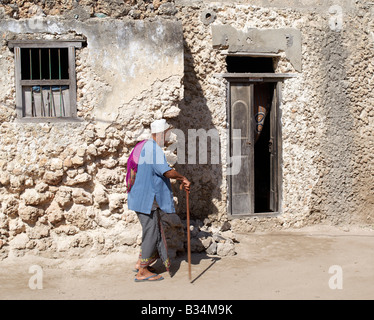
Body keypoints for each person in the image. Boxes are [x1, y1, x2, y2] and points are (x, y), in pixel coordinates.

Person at [127, 119, 191, 282]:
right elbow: (166, 172)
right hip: (146, 199)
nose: (169, 137)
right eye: (168, 133)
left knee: (150, 230)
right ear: (161, 134)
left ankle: (141, 264)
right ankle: (142, 272)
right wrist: (182, 177)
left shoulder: (143, 145)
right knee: (152, 232)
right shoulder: (153, 149)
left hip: (140, 196)